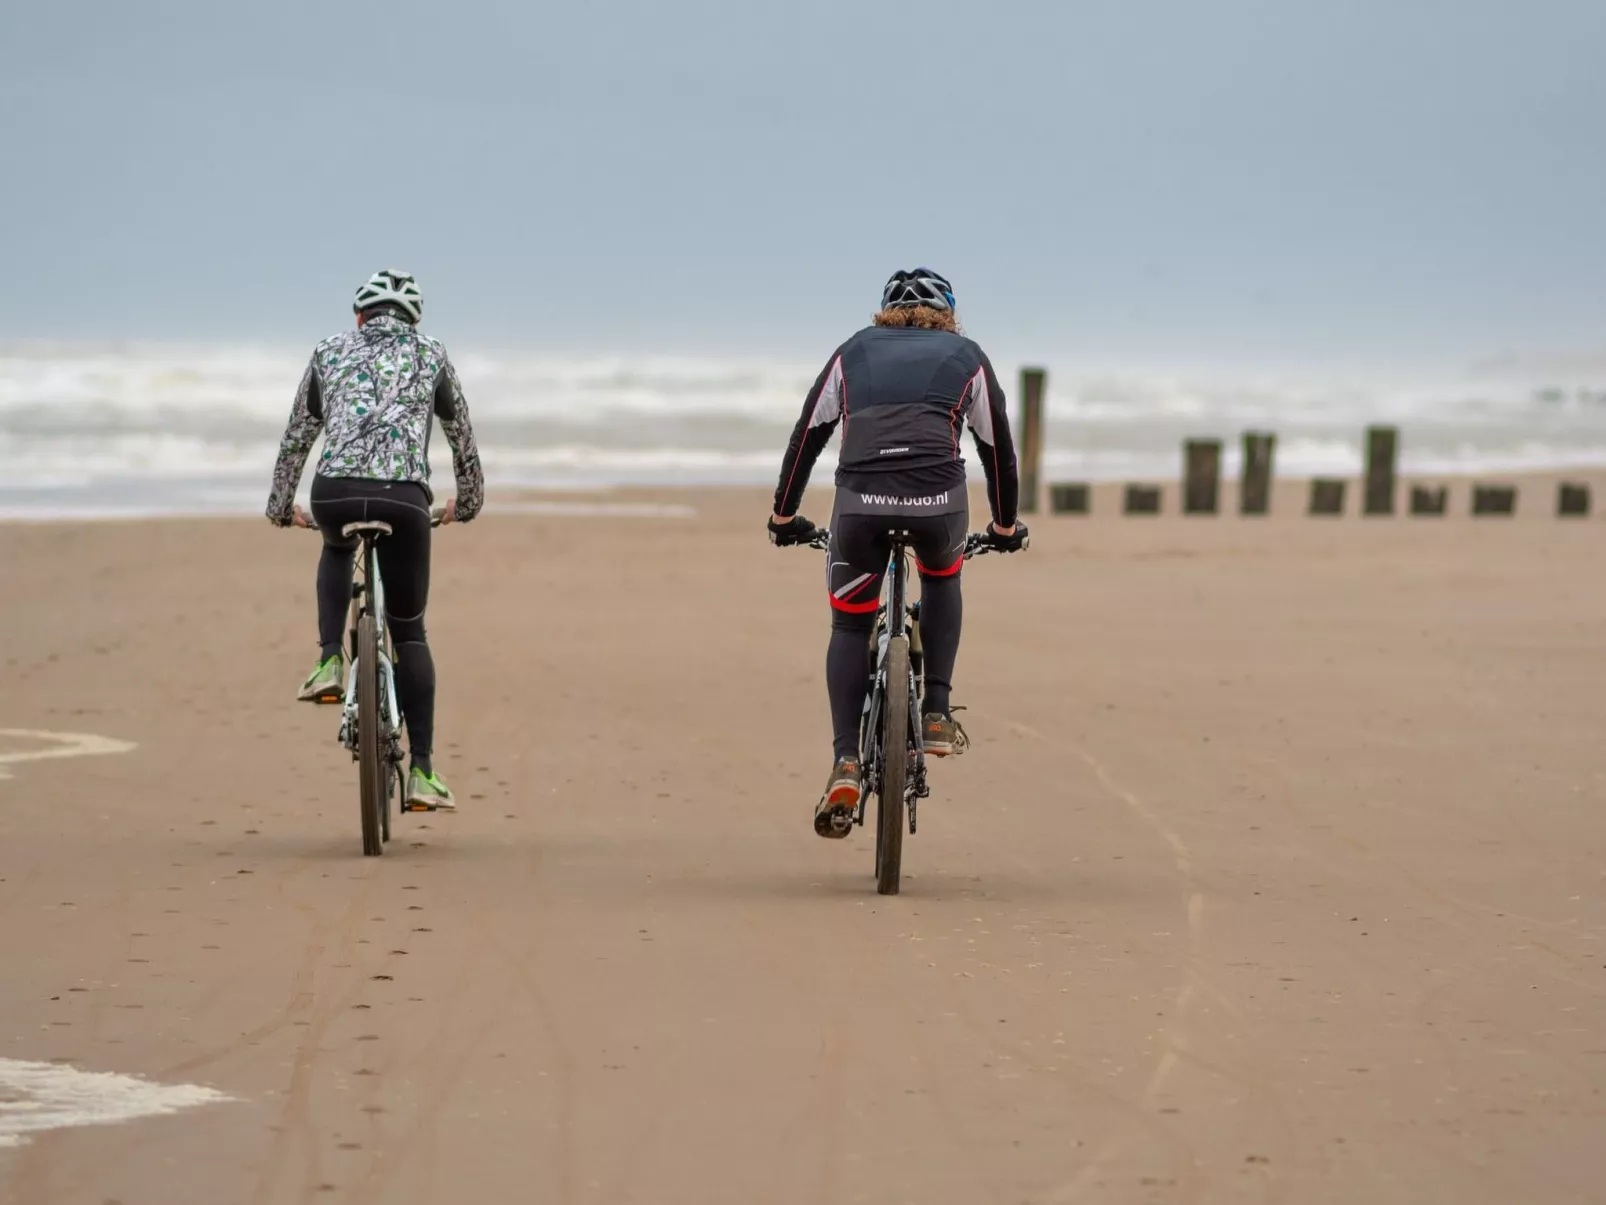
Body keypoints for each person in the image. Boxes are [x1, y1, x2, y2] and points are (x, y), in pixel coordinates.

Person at [767, 267, 1027, 838]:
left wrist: (784, 515)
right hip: (938, 504)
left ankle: (845, 763)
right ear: (949, 313)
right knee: (941, 576)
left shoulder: (852, 351)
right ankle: (935, 712)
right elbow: (997, 449)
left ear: (883, 312)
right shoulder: (967, 356)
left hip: (860, 507)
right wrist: (1005, 526)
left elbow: (806, 434)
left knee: (849, 626)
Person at [264, 269, 484, 811]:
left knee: (337, 546)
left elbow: (298, 436)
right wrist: (470, 501)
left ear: (359, 316)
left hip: (333, 493)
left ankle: (328, 662)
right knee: (409, 633)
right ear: (412, 320)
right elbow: (462, 437)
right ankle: (424, 772)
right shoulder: (432, 354)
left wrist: (279, 506)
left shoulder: (328, 350)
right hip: (405, 501)